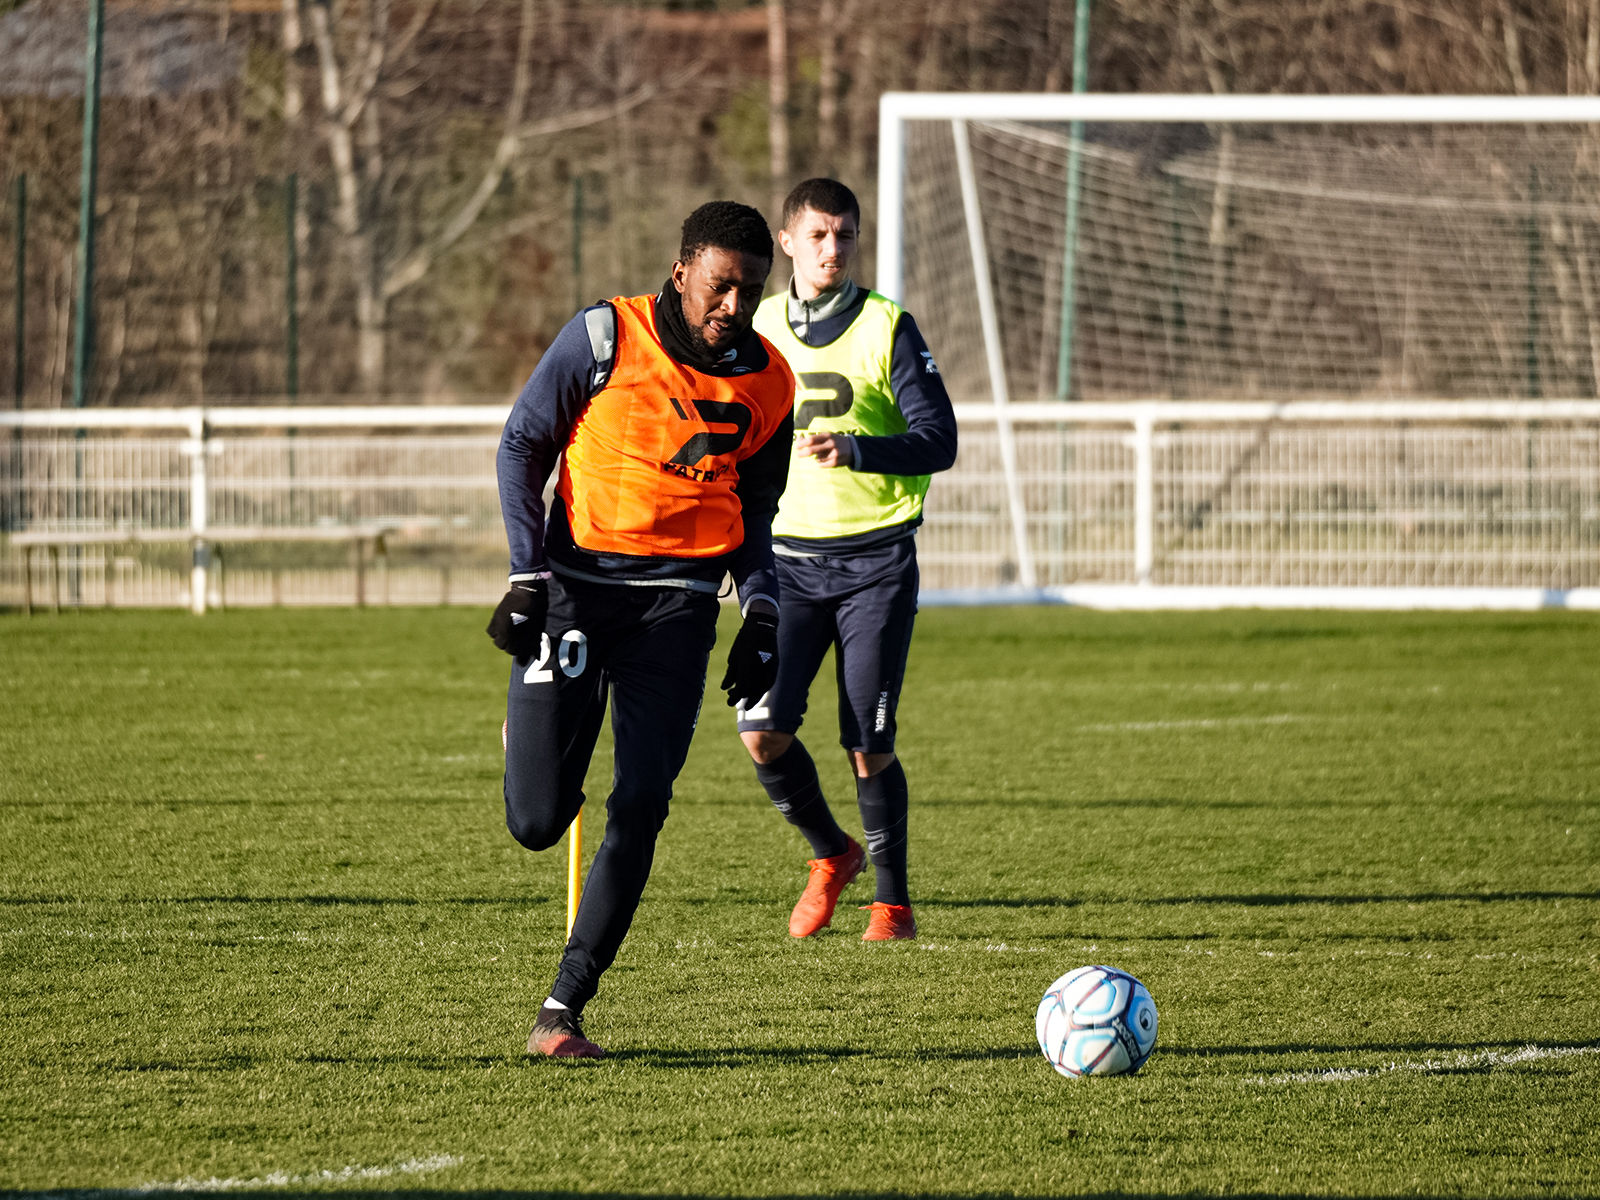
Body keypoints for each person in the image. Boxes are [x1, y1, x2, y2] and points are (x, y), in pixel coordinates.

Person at [489, 201, 795, 1059]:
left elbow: (759, 514)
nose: (733, 306)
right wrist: (525, 573)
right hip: (578, 592)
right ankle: (533, 736)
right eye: (720, 286)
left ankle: (563, 1009)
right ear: (681, 271)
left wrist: (762, 614)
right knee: (537, 823)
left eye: (751, 291)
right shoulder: (602, 339)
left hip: (680, 609)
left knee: (643, 803)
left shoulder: (772, 382)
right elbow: (521, 447)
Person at [737, 178, 957, 942]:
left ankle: (891, 903)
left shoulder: (887, 325)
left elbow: (941, 440)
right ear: (789, 241)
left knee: (868, 743)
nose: (834, 249)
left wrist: (858, 447)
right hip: (785, 567)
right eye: (820, 235)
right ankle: (832, 853)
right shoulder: (756, 325)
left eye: (846, 236)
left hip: (875, 565)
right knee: (760, 731)